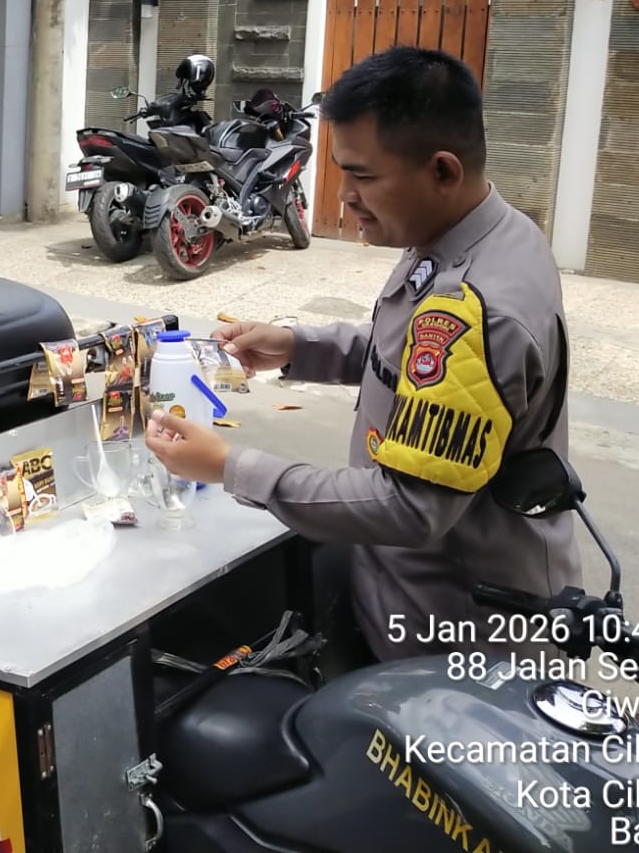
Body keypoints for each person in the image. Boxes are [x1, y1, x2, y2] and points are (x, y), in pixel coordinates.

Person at [145, 45, 580, 669]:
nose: (345, 195)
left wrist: (230, 466)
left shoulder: (482, 304)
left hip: (455, 647)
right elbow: (412, 354)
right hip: (403, 595)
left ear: (443, 170)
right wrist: (300, 347)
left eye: (364, 177)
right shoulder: (469, 232)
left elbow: (409, 507)